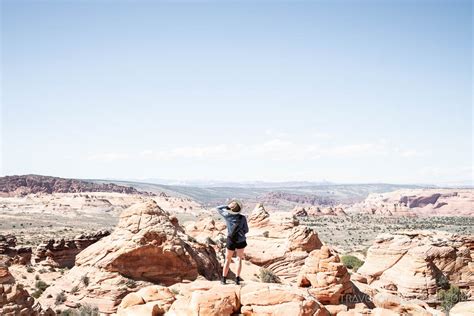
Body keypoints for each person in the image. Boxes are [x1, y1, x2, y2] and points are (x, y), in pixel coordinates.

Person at [216, 200, 249, 285]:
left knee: (227, 259)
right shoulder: (242, 218)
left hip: (231, 240)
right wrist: (241, 233)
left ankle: (223, 279)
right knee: (239, 259)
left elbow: (218, 208)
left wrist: (227, 207)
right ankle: (237, 280)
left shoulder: (227, 216)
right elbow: (246, 230)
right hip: (241, 240)